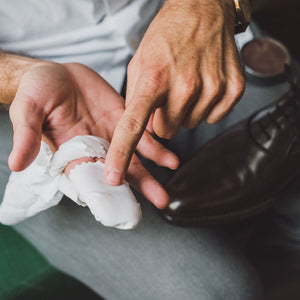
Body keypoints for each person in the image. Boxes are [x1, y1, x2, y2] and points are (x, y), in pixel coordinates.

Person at [0, 0, 299, 299]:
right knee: (211, 291)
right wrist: (16, 76)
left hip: (178, 25)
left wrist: (209, 6)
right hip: (26, 98)